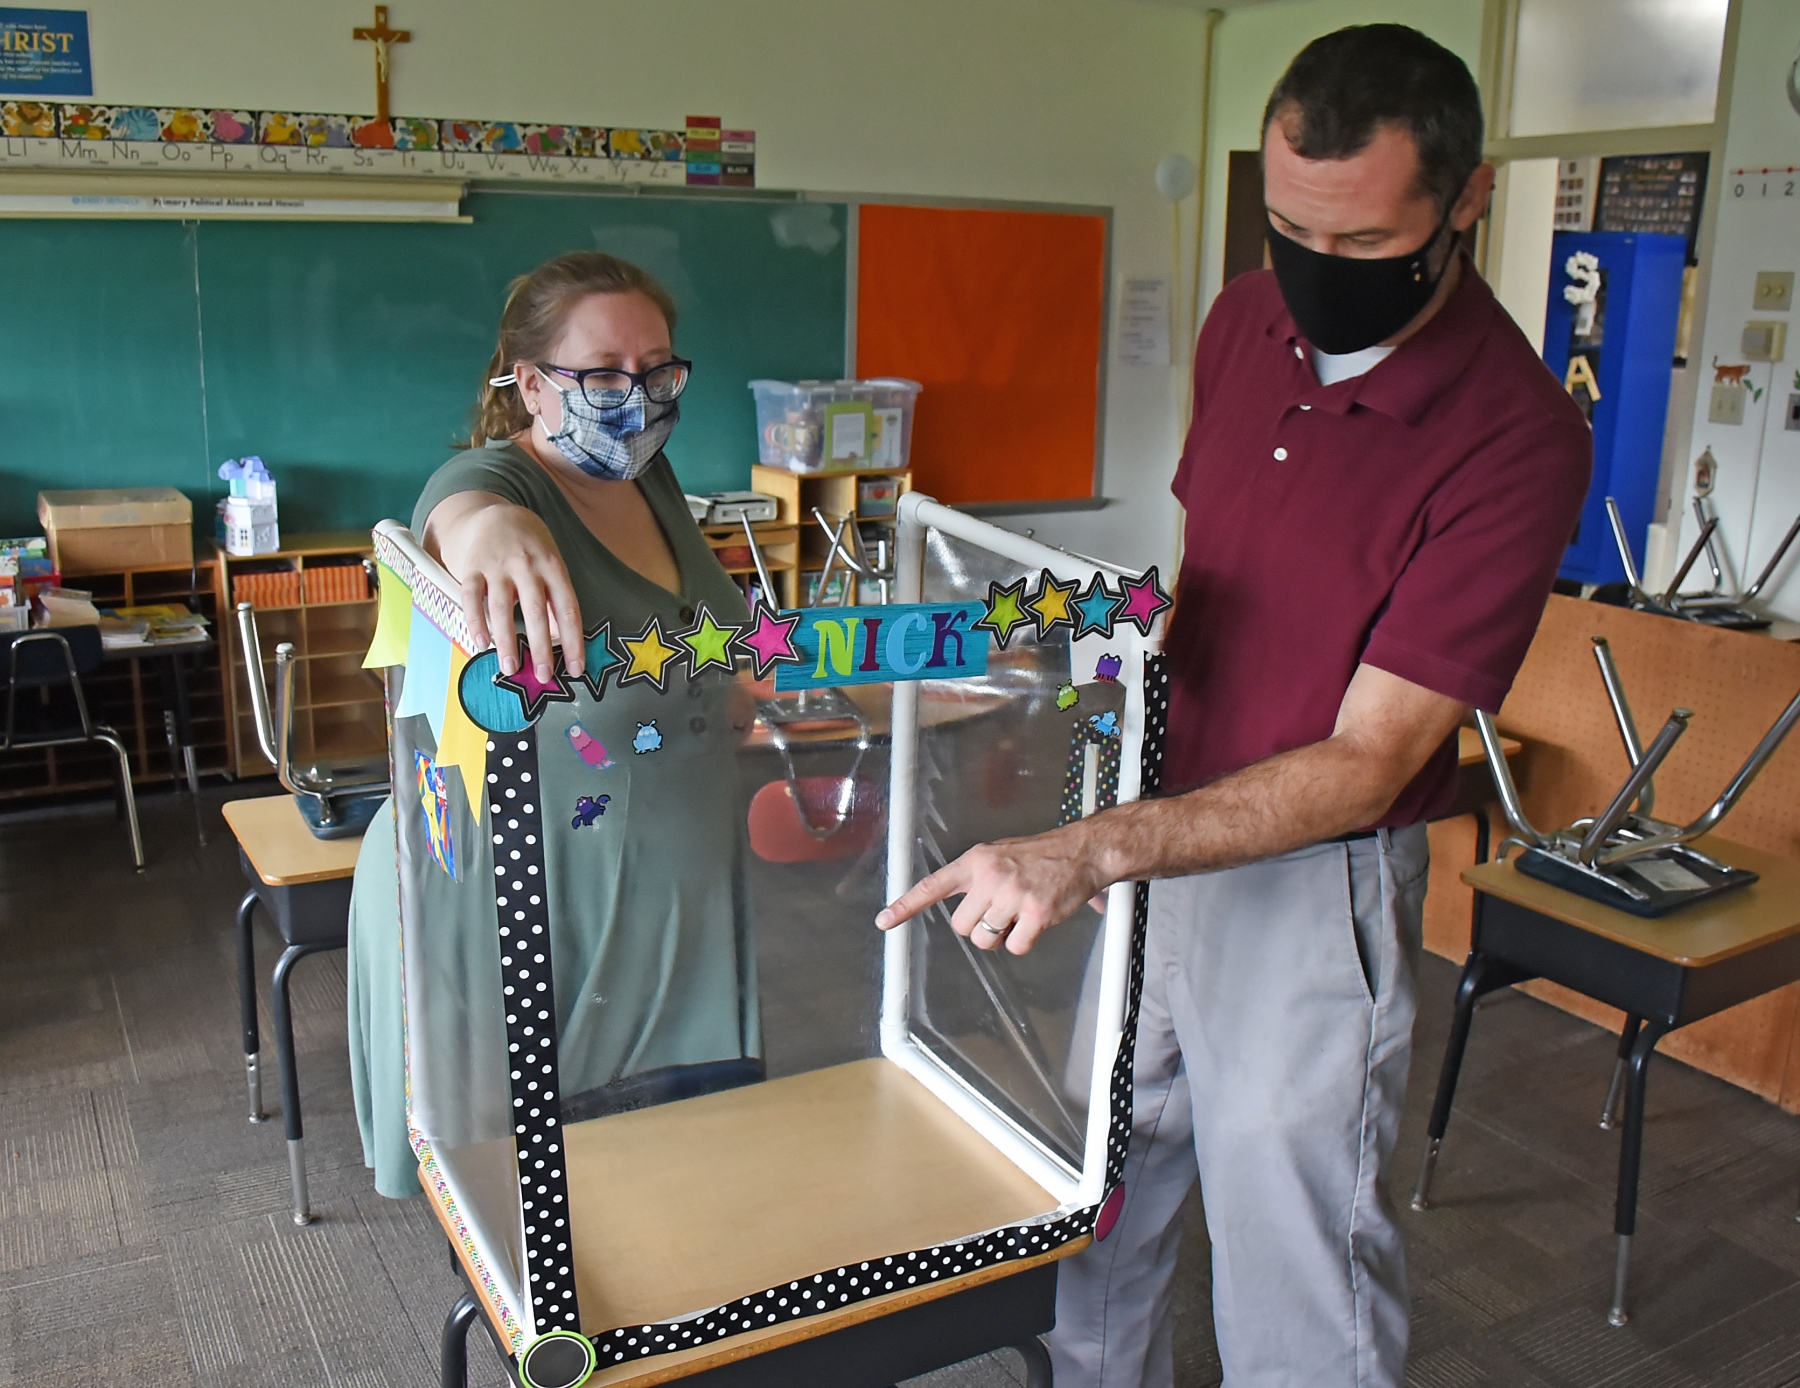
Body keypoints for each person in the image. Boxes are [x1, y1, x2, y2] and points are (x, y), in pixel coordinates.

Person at [877, 26, 1591, 1388]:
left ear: (1468, 200)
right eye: (1285, 229)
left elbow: (1373, 762)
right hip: (1160, 830)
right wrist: (1074, 657)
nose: (1315, 275)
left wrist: (1093, 850)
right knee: (1098, 1187)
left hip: (1306, 885)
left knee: (1297, 1258)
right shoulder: (1243, 319)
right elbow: (1212, 578)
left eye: (1367, 245)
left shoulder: (1514, 436)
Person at [347, 251, 759, 1198]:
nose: (639, 395)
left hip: (664, 894)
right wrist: (490, 528)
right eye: (604, 372)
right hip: (526, 905)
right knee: (536, 1223)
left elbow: (702, 647)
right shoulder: (500, 482)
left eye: (658, 367)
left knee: (687, 1201)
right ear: (530, 383)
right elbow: (459, 516)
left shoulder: (646, 478)